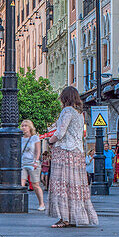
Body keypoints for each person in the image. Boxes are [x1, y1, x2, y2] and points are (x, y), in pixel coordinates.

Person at [47, 86, 97, 228]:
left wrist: (49, 141)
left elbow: (60, 132)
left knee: (62, 184)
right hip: (78, 152)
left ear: (65, 98)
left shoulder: (67, 111)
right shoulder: (79, 114)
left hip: (65, 152)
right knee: (75, 185)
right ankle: (75, 216)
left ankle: (64, 217)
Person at [20, 119, 45, 211]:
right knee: (21, 185)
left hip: (32, 163)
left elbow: (38, 151)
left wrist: (36, 161)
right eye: (22, 126)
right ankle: (20, 204)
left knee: (35, 185)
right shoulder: (20, 138)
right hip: (23, 163)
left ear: (30, 127)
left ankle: (41, 203)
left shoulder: (35, 138)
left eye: (26, 126)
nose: (23, 127)